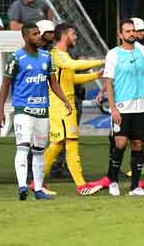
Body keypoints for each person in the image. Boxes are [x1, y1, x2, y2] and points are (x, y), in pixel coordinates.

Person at [0, 23, 71, 201]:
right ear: (25, 37)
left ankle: (38, 189)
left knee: (38, 151)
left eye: (39, 34)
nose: (39, 37)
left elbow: (53, 83)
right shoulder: (16, 58)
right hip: (23, 110)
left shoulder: (46, 57)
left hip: (42, 110)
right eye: (35, 34)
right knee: (23, 147)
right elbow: (5, 85)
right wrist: (0, 111)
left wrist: (65, 100)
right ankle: (22, 186)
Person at [95, 20, 144, 197]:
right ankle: (113, 181)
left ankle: (135, 186)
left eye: (133, 30)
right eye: (127, 31)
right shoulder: (113, 54)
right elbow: (109, 81)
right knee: (120, 143)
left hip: (140, 106)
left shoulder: (142, 51)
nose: (131, 33)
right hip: (122, 107)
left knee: (138, 144)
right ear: (121, 35)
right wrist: (113, 108)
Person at [43, 23, 106, 196]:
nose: (75, 36)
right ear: (64, 36)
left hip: (63, 106)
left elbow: (73, 78)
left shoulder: (63, 55)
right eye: (73, 33)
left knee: (57, 145)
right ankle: (81, 185)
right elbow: (74, 65)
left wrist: (96, 75)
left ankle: (37, 182)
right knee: (71, 144)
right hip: (62, 107)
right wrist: (102, 60)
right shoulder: (56, 55)